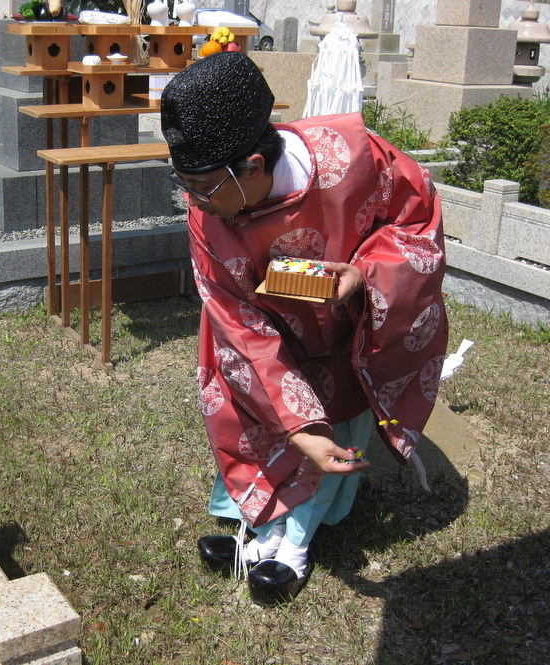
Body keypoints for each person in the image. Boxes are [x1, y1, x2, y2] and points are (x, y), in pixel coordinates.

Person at [160, 52, 448, 606]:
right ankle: (260, 529)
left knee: (332, 427)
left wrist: (366, 274)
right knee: (260, 415)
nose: (191, 202)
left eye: (199, 186)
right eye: (183, 184)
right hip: (258, 340)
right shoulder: (208, 215)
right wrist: (297, 425)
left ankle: (294, 544)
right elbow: (236, 322)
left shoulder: (353, 158)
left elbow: (418, 222)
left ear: (251, 166)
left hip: (339, 334)